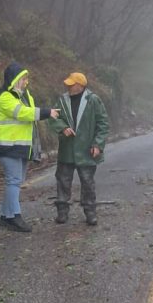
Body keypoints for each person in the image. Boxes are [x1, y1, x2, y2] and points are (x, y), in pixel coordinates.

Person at [0, 63, 59, 232]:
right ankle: (14, 216)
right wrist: (46, 112)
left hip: (21, 145)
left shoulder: (24, 95)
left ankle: (6, 216)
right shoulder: (5, 97)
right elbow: (23, 113)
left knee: (15, 181)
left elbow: (28, 114)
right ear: (15, 79)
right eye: (23, 78)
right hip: (7, 146)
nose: (26, 81)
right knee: (13, 181)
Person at [51, 71, 109, 225]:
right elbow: (55, 117)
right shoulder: (62, 100)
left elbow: (103, 123)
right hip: (67, 149)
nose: (68, 86)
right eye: (68, 84)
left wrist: (98, 144)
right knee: (63, 181)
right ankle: (62, 212)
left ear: (80, 86)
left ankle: (90, 212)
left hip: (87, 150)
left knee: (88, 183)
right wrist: (63, 128)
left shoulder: (93, 100)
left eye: (71, 84)